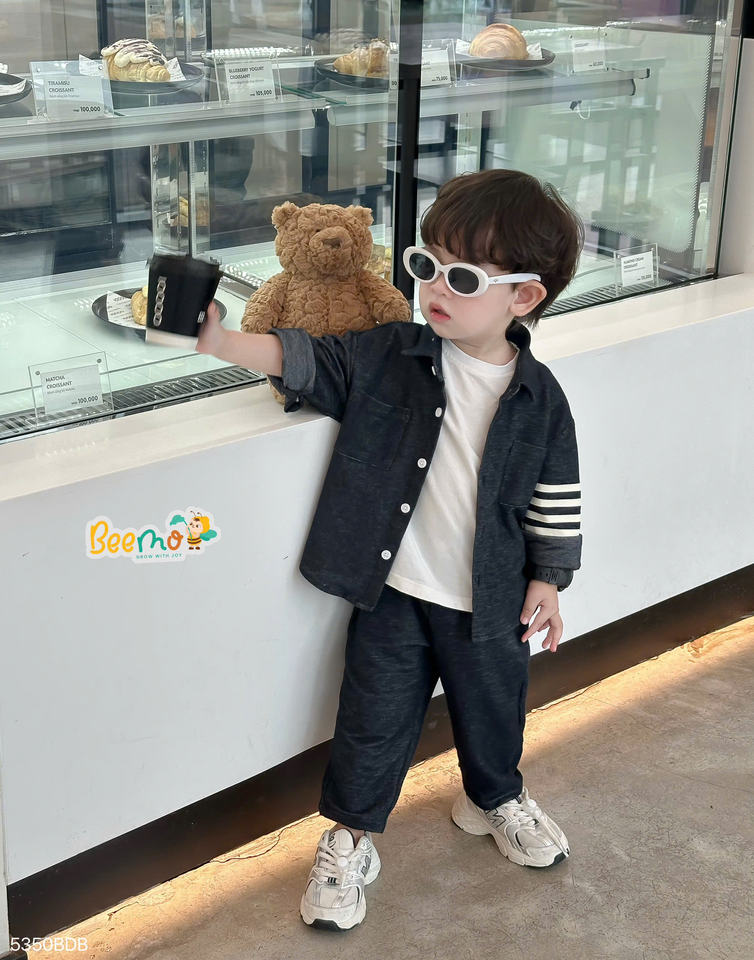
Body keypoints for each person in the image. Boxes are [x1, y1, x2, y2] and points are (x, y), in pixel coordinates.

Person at [196, 168, 584, 932]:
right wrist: (219, 340)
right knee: (370, 722)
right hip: (394, 597)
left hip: (492, 601)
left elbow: (556, 493)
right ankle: (350, 839)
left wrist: (549, 578)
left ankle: (494, 798)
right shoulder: (389, 353)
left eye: (462, 277)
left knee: (495, 713)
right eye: (425, 263)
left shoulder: (542, 400)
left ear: (525, 297)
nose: (435, 287)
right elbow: (308, 359)